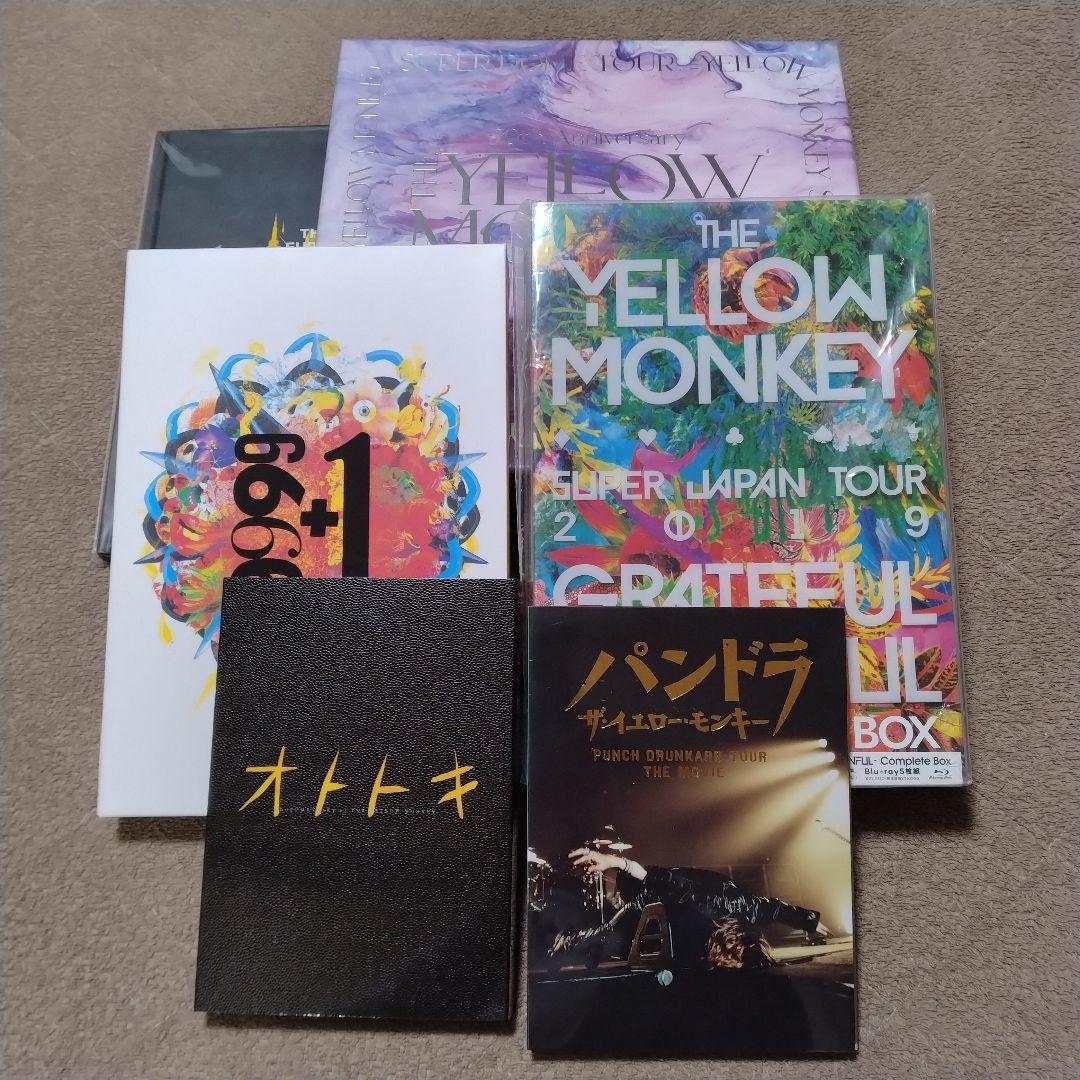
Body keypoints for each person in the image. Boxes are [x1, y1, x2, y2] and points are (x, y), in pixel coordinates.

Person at [551, 847, 830, 971]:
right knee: (612, 936)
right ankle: (568, 943)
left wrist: (809, 921)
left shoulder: (748, 910)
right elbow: (658, 879)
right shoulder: (706, 904)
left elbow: (775, 908)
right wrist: (614, 861)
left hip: (682, 906)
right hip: (656, 895)